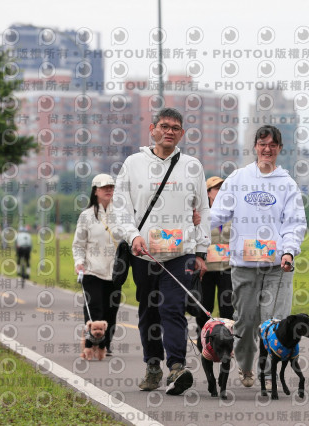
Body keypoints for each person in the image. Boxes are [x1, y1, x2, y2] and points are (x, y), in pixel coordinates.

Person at [112, 107, 210, 395]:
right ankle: (153, 364)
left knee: (173, 307)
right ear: (152, 129)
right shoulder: (133, 163)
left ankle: (177, 367)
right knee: (149, 310)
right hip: (143, 253)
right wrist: (132, 237)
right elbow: (120, 208)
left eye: (175, 127)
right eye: (164, 126)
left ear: (182, 134)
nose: (169, 131)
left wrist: (201, 251)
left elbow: (202, 208)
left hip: (180, 253)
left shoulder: (193, 165)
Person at [209, 124, 307, 388]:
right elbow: (217, 216)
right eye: (262, 144)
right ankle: (246, 366)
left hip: (277, 266)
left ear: (280, 149)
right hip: (244, 265)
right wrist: (196, 229)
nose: (267, 149)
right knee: (246, 320)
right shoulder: (239, 179)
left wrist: (288, 251)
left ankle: (267, 371)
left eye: (272, 145)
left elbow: (295, 224)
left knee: (273, 322)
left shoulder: (287, 184)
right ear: (255, 147)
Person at [72, 173, 120, 357]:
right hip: (92, 270)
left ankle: (106, 344)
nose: (108, 190)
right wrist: (79, 263)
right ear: (95, 191)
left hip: (116, 272)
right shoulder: (86, 216)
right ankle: (91, 343)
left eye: (111, 187)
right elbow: (78, 244)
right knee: (95, 309)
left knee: (111, 310)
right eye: (104, 187)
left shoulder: (122, 215)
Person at [195, 176, 234, 351]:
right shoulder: (200, 213)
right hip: (206, 268)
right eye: (216, 188)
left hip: (227, 267)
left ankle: (227, 341)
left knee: (227, 307)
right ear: (208, 192)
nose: (219, 192)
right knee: (205, 306)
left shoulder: (233, 211)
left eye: (222, 188)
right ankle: (203, 338)